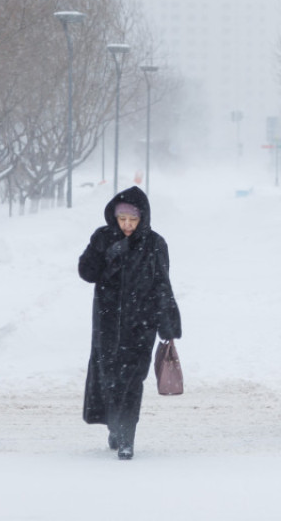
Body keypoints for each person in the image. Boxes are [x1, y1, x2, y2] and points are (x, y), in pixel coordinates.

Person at [78, 186, 181, 460]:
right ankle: (115, 426)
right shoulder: (104, 237)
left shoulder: (154, 243)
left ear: (142, 218)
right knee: (110, 379)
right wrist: (100, 249)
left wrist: (167, 325)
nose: (126, 225)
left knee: (132, 381)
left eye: (132, 220)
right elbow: (86, 273)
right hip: (108, 324)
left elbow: (162, 284)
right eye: (122, 219)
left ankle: (127, 437)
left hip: (140, 326)